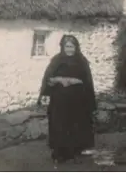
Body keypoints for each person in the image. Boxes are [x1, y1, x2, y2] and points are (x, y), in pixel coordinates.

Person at [37, 35, 97, 163]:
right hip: (59, 101)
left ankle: (75, 150)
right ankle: (60, 152)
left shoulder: (81, 61)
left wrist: (72, 81)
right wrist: (59, 80)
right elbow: (48, 78)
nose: (70, 49)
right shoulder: (56, 61)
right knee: (60, 125)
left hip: (77, 100)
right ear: (63, 47)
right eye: (67, 46)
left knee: (75, 124)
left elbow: (87, 81)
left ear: (76, 47)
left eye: (72, 46)